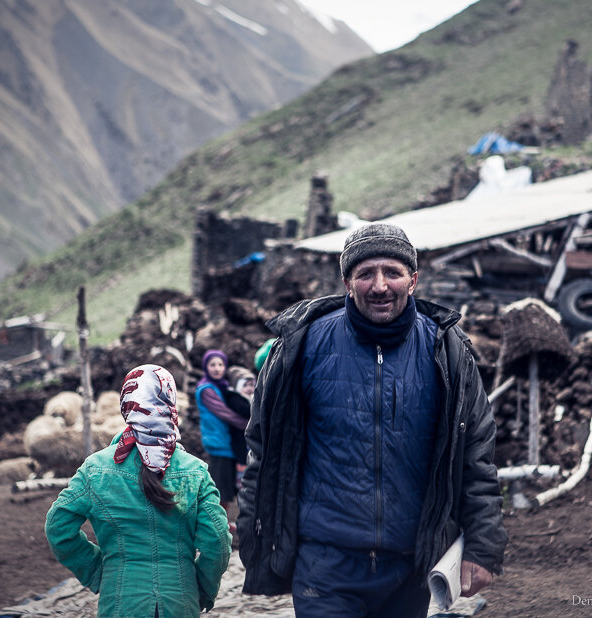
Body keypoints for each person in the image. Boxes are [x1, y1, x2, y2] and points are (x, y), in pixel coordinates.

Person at [237, 222, 507, 617]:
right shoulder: (303, 346)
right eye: (365, 273)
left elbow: (475, 456)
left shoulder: (445, 352)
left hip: (409, 565)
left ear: (413, 280)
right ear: (347, 281)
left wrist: (483, 546)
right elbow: (264, 447)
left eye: (392, 273)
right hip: (325, 564)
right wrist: (253, 533)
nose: (379, 285)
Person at [45, 364, 231, 618]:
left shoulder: (96, 469)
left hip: (120, 602)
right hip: (180, 603)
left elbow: (58, 526)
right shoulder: (195, 471)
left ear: (126, 405)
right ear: (170, 402)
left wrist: (99, 572)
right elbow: (217, 542)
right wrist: (202, 589)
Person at [195, 349, 247, 525]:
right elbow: (224, 413)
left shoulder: (221, 386)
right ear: (206, 367)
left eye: (220, 364)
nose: (217, 368)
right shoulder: (206, 389)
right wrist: (248, 424)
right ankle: (217, 525)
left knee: (227, 485)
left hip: (226, 442)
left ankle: (223, 523)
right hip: (218, 443)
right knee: (221, 488)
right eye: (212, 365)